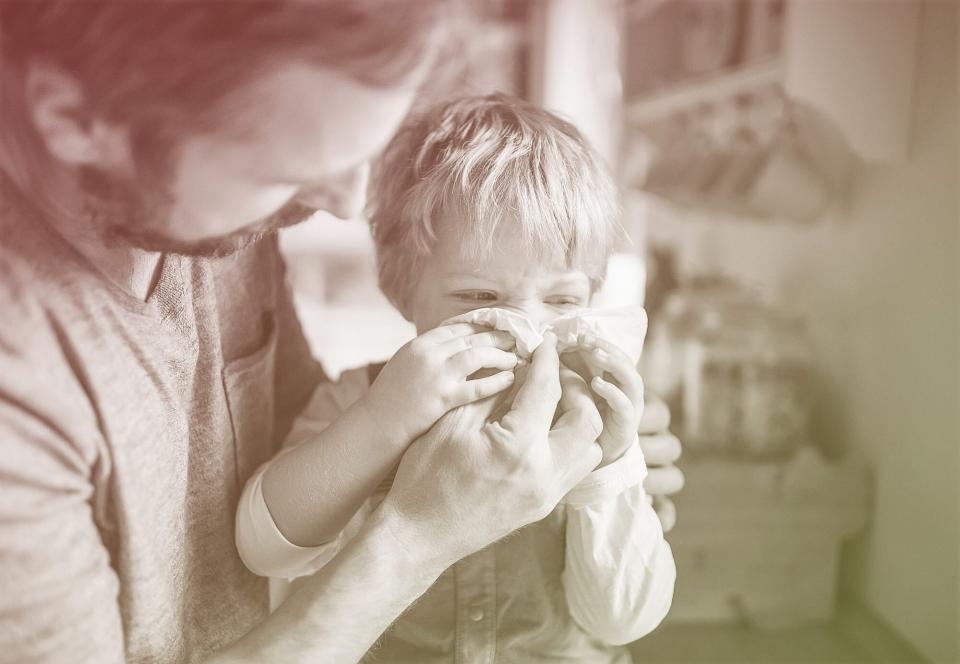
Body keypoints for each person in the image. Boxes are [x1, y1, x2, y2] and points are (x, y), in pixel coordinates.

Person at [0, 2, 684, 662]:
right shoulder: (21, 385)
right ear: (74, 121)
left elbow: (625, 610)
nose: (349, 206)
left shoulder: (221, 222)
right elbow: (274, 531)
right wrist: (421, 528)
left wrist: (613, 472)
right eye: (286, 168)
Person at [235, 94, 676, 663]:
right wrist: (382, 421)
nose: (529, 330)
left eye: (562, 299)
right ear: (402, 289)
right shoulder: (362, 400)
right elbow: (265, 552)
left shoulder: (595, 419)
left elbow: (622, 621)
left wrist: (610, 472)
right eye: (479, 298)